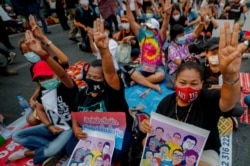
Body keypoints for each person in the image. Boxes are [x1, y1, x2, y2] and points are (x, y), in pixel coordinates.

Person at [139, 22, 247, 166]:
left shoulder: (207, 99)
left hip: (205, 152)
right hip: (171, 150)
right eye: (183, 83)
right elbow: (153, 135)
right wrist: (146, 127)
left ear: (202, 84)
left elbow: (228, 102)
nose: (188, 87)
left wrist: (230, 77)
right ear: (175, 82)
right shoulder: (166, 103)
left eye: (194, 84)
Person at [65, 18, 134, 165]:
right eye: (89, 76)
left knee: (113, 155)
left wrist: (103, 50)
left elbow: (110, 74)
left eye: (96, 77)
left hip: (117, 133)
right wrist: (76, 128)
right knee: (70, 150)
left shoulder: (112, 93)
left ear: (105, 81)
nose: (91, 79)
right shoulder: (82, 93)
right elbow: (74, 113)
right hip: (91, 134)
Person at [7, 30, 78, 165]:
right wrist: (49, 125)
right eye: (41, 78)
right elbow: (39, 109)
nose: (45, 80)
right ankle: (53, 150)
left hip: (68, 128)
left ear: (55, 74)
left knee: (54, 148)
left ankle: (31, 152)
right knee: (16, 135)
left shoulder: (66, 86)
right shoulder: (44, 89)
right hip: (52, 127)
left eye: (48, 76)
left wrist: (43, 53)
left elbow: (63, 72)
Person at [18, 15, 69, 126]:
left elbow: (64, 61)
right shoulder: (33, 68)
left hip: (62, 95)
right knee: (31, 119)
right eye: (25, 52)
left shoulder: (50, 60)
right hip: (48, 97)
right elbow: (41, 85)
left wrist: (43, 38)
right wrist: (33, 98)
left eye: (30, 49)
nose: (29, 53)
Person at [125, 0, 172, 93]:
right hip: (143, 67)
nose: (148, 30)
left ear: (155, 30)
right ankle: (152, 86)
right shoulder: (142, 36)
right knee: (131, 73)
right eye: (147, 27)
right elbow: (131, 21)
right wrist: (127, 6)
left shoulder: (160, 37)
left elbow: (164, 26)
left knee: (161, 76)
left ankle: (138, 81)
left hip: (157, 68)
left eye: (151, 28)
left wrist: (167, 15)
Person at [166, 7, 207, 89]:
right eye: (180, 36)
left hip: (188, 65)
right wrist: (195, 60)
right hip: (178, 71)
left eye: (183, 34)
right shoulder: (171, 48)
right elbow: (180, 63)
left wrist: (202, 21)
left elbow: (195, 34)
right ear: (174, 37)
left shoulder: (183, 40)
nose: (183, 37)